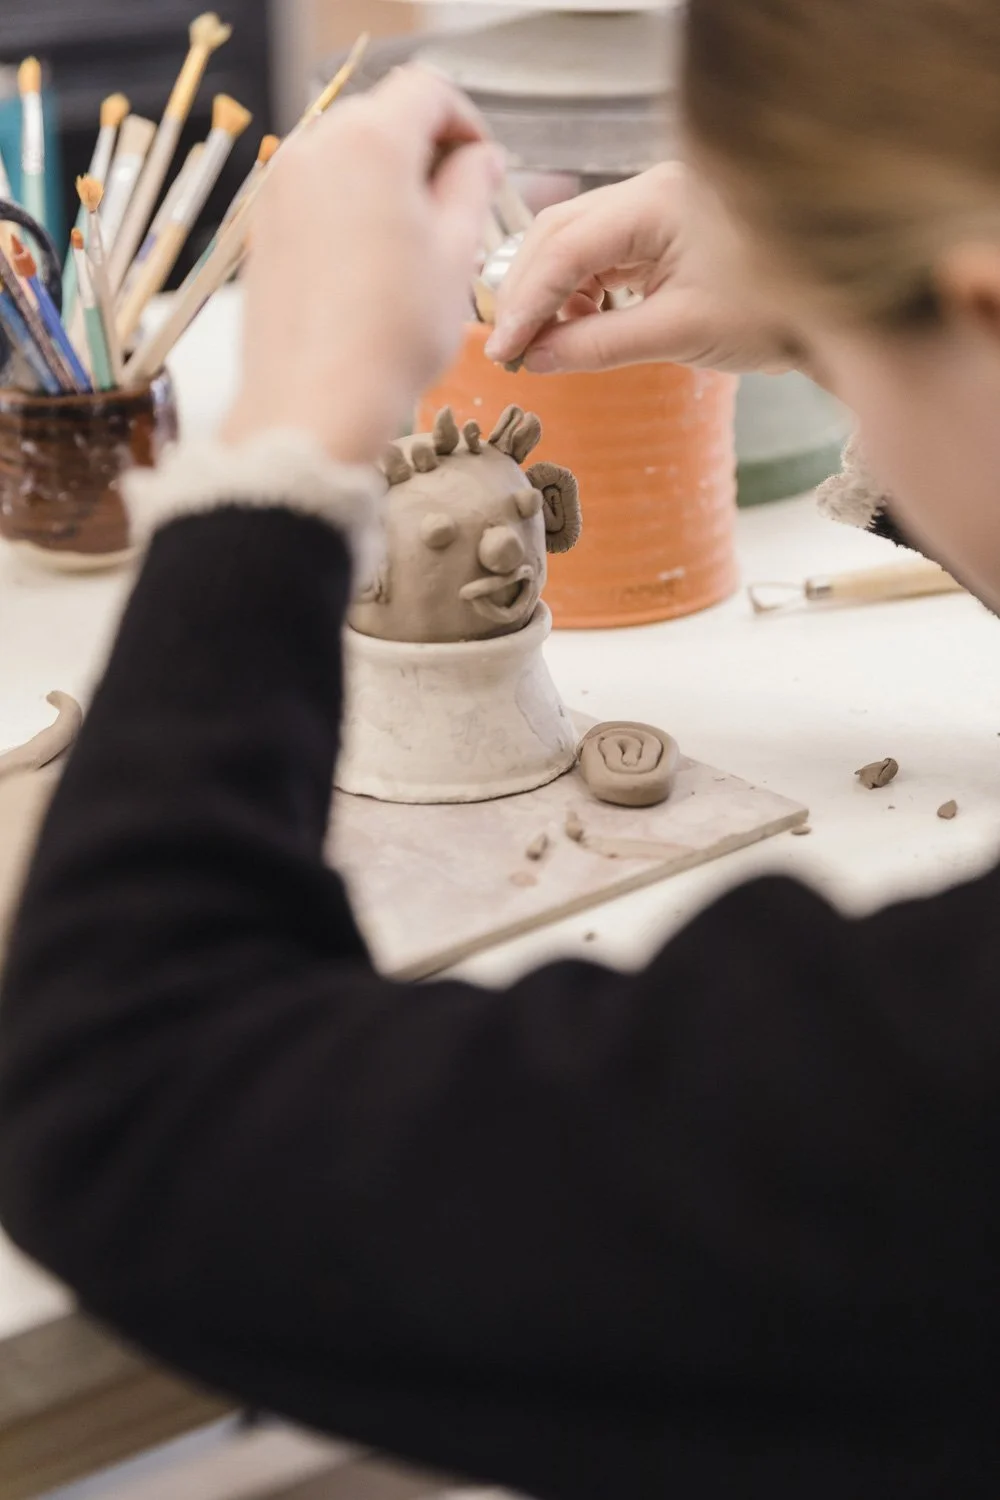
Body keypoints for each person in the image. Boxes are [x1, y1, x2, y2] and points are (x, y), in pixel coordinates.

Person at [2, 2, 1000, 1494]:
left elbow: (127, 1102)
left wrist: (292, 443)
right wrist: (833, 298)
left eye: (839, 339)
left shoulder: (929, 1104)